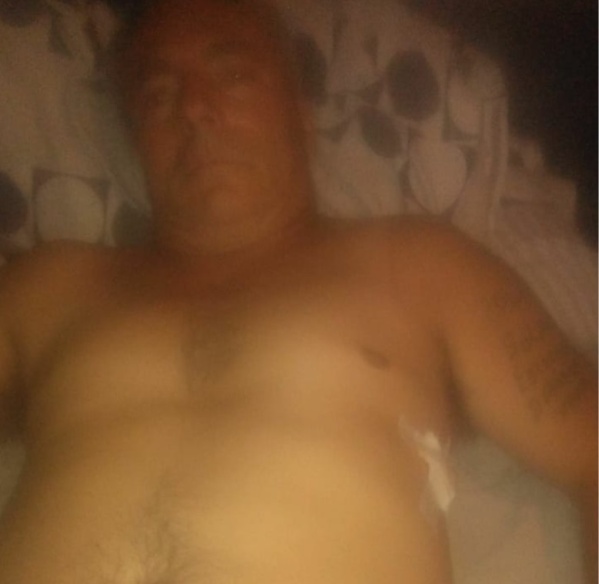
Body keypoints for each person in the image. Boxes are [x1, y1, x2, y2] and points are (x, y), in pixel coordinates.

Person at [0, 0, 596, 582]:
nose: (195, 108)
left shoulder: (419, 265)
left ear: (301, 115)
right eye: (159, 94)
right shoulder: (50, 285)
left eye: (233, 76)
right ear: (137, 139)